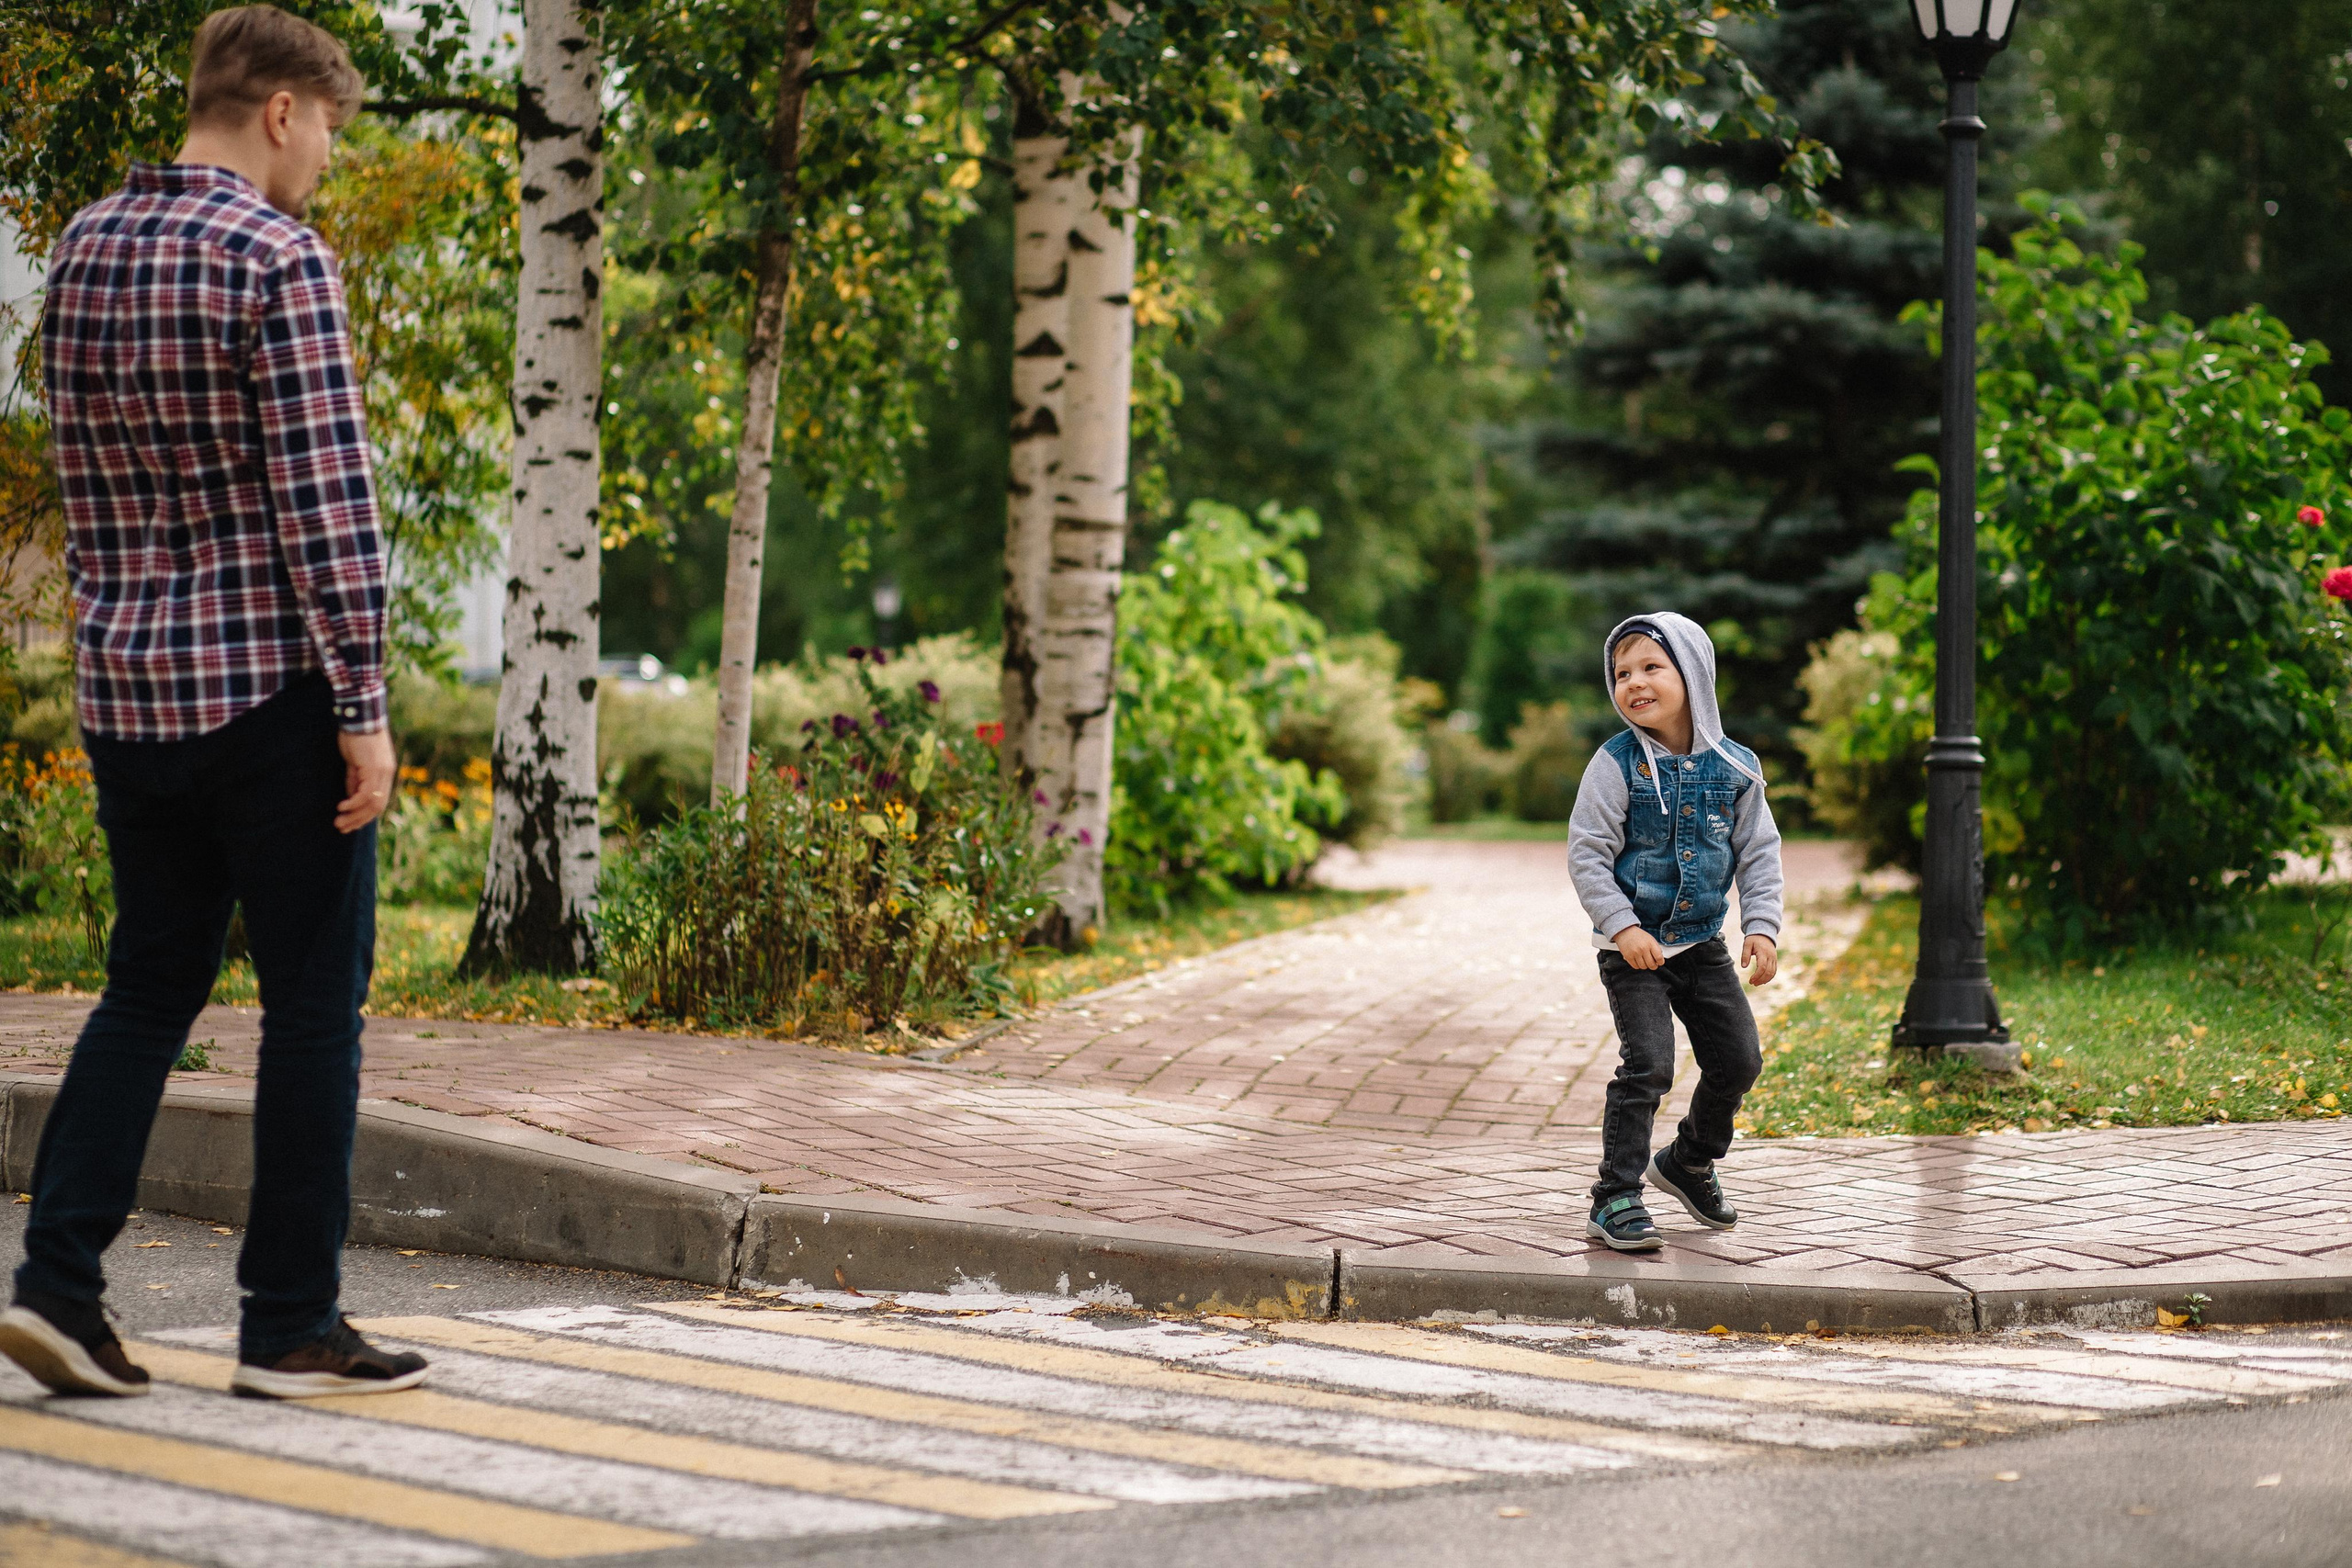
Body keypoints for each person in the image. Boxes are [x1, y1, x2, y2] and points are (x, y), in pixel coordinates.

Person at [0, 6, 427, 1399]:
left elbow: (82, 476)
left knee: (147, 982)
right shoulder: (276, 256)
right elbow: (327, 501)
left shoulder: (84, 245)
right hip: (267, 698)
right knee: (315, 1004)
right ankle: (291, 1324)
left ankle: (57, 1284)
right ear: (284, 112)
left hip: (129, 690)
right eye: (330, 137)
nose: (325, 170)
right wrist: (360, 699)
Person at [1567, 613, 1783, 1252]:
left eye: (1650, 667)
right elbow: (1587, 853)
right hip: (1633, 950)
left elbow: (1760, 851)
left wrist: (1763, 927)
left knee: (1739, 1058)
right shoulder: (1615, 764)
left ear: (1692, 673)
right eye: (1621, 672)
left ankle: (1689, 1160)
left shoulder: (1736, 766)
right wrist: (1622, 924)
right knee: (1648, 1066)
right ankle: (1615, 1197)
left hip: (1701, 945)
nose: (1633, 682)